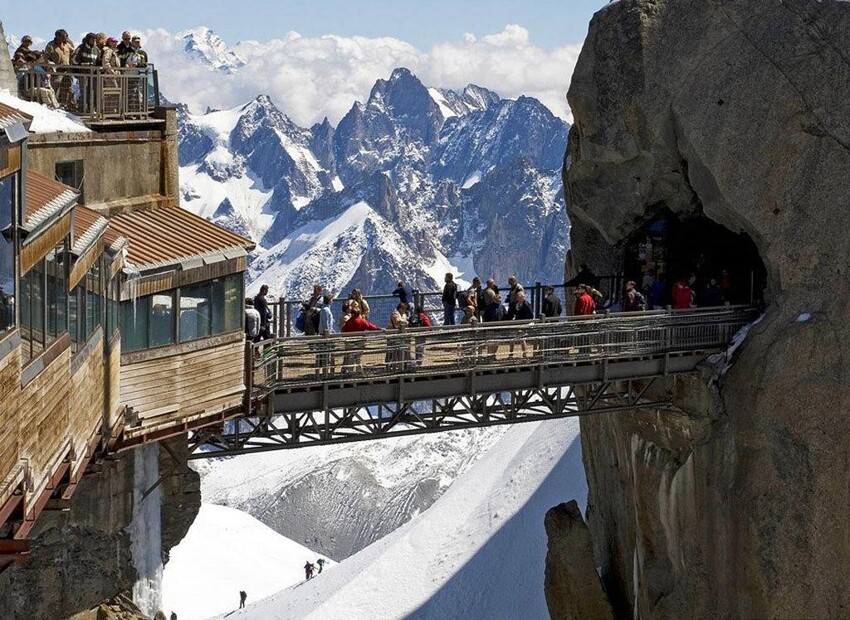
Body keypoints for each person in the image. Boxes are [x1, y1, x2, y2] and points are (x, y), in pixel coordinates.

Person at [43, 29, 74, 109]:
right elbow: (46, 58)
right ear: (58, 36)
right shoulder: (51, 45)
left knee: (68, 88)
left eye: (66, 37)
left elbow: (73, 52)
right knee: (55, 88)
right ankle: (53, 105)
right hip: (57, 71)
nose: (65, 38)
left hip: (67, 70)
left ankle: (66, 104)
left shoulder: (67, 45)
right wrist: (50, 66)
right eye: (63, 37)